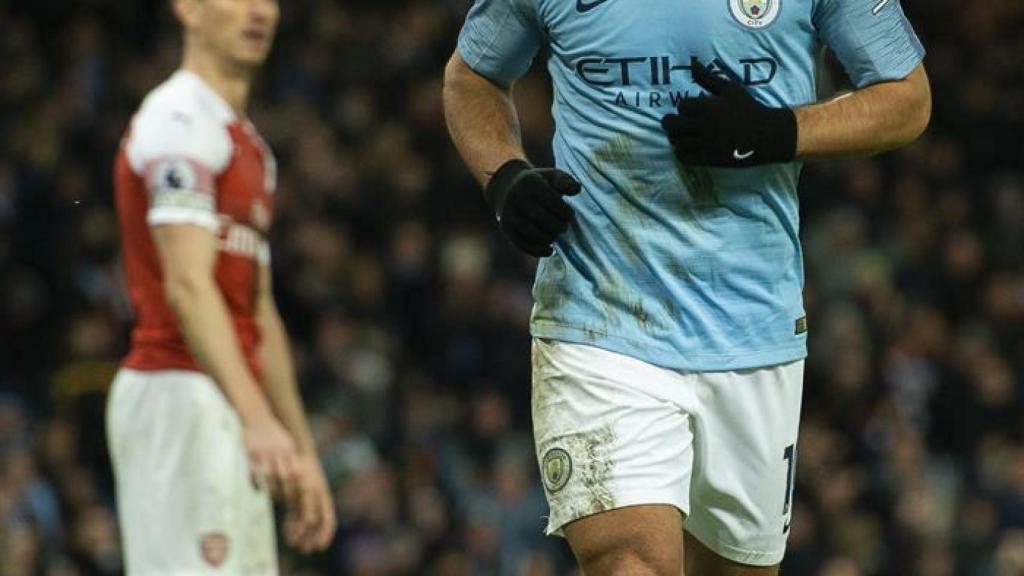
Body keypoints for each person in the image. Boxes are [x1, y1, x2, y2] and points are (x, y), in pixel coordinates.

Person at [443, 0, 930, 574]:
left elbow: (907, 98)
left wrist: (780, 130)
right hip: (599, 316)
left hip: (752, 328)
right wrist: (505, 176)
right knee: (629, 563)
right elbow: (472, 73)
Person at [107, 0, 336, 573]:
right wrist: (257, 417)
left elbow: (257, 309)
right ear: (186, 8)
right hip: (175, 393)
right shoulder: (176, 118)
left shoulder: (253, 149)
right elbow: (188, 286)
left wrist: (301, 449)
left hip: (229, 402)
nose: (259, 11)